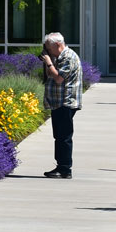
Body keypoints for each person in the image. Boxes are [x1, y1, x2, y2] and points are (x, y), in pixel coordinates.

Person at [38, 31, 82, 180]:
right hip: (58, 102)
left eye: (49, 49)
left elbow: (58, 78)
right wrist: (48, 62)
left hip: (65, 101)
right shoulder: (60, 57)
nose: (48, 52)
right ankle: (61, 166)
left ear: (57, 45)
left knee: (64, 137)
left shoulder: (68, 57)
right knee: (59, 136)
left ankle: (65, 169)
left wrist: (49, 62)